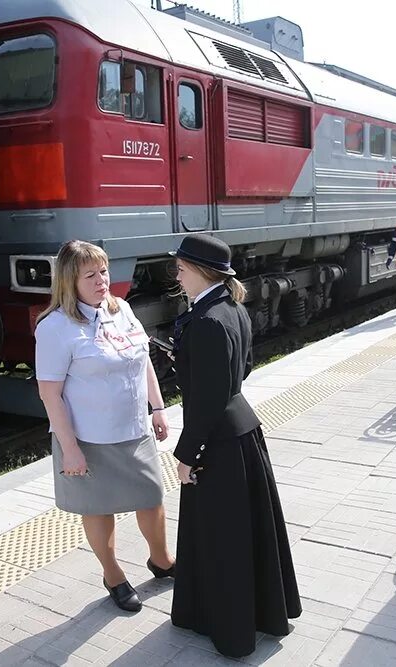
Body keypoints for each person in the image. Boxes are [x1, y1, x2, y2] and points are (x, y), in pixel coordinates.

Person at [168, 234, 301, 658]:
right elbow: (241, 369)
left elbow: (208, 400)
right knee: (242, 533)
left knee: (222, 537)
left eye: (181, 269)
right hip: (241, 435)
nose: (177, 275)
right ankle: (248, 612)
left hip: (220, 443)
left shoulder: (207, 320)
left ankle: (228, 627)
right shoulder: (231, 309)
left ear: (199, 272)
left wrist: (187, 454)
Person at [34, 240, 174, 614]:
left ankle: (161, 560)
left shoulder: (121, 309)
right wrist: (70, 448)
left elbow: (143, 359)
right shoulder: (55, 328)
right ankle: (112, 575)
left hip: (134, 429)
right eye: (91, 275)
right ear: (69, 281)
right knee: (98, 508)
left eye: (104, 271)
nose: (102, 281)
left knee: (151, 497)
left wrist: (157, 407)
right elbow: (51, 395)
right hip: (88, 437)